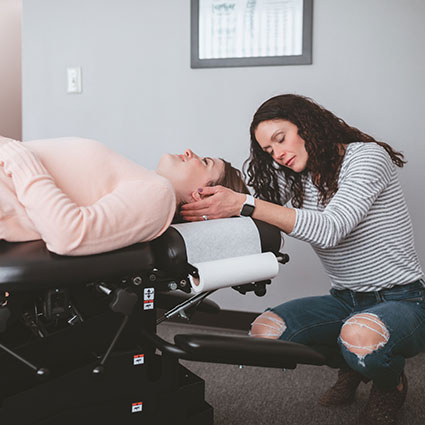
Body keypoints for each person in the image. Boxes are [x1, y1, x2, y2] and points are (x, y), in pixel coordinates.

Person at [180, 94, 424, 425]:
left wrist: (243, 204)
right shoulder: (293, 176)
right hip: (345, 299)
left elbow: (330, 229)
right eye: (269, 150)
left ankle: (389, 383)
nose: (278, 154)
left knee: (361, 337)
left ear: (308, 125)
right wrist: (209, 195)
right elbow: (257, 214)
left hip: (403, 298)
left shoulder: (367, 158)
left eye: (280, 139)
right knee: (264, 333)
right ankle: (350, 364)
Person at [0, 136, 247, 256]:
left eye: (204, 162)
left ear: (203, 196)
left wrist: (21, 159)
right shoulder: (146, 183)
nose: (189, 152)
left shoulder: (158, 196)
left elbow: (68, 234)